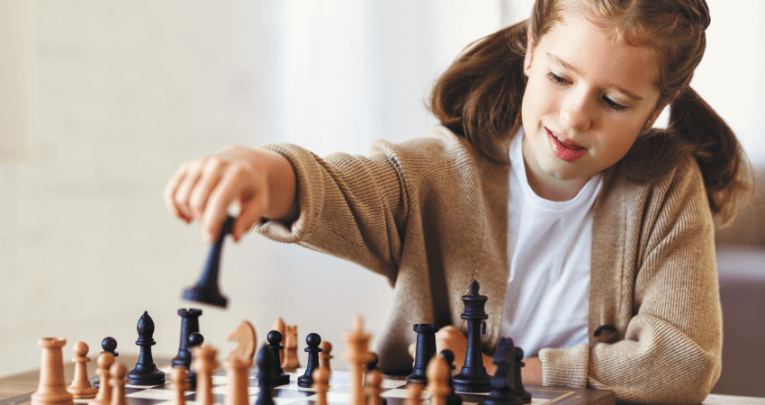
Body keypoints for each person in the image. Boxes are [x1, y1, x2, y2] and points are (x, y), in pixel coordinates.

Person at [163, 0, 754, 403]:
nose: (575, 116)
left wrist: (521, 373)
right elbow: (331, 186)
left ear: (655, 110)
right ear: (529, 54)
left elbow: (683, 361)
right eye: (559, 77)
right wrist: (260, 171)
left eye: (617, 102)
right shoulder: (437, 175)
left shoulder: (665, 188)